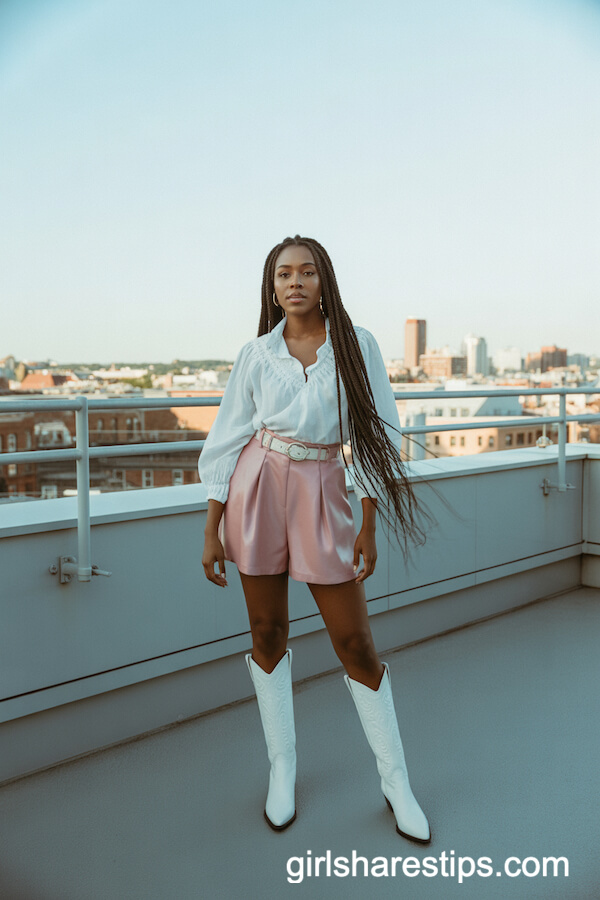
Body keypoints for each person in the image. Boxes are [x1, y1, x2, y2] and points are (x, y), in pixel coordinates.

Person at [199, 235, 430, 843]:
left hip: (324, 489)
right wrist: (211, 527)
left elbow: (378, 428)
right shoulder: (255, 354)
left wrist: (370, 520)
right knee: (266, 632)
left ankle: (396, 780)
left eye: (306, 272)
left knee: (354, 640)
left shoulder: (357, 347)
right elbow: (225, 439)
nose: (294, 282)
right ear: (272, 287)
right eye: (283, 274)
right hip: (256, 488)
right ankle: (282, 768)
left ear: (324, 280)